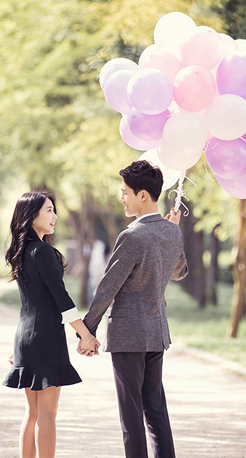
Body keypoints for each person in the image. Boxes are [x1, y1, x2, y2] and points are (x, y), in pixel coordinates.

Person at [78, 160, 188, 458]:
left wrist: (87, 329)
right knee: (155, 410)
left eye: (125, 191)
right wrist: (172, 232)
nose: (121, 197)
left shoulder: (132, 236)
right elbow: (179, 273)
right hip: (156, 333)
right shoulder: (172, 232)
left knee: (131, 416)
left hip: (129, 335)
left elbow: (108, 287)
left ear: (143, 195)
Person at [3, 191, 100, 458]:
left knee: (32, 413)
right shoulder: (43, 251)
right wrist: (86, 335)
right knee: (46, 415)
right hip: (46, 338)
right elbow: (62, 299)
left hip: (24, 337)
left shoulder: (21, 251)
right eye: (48, 210)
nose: (54, 216)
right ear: (32, 216)